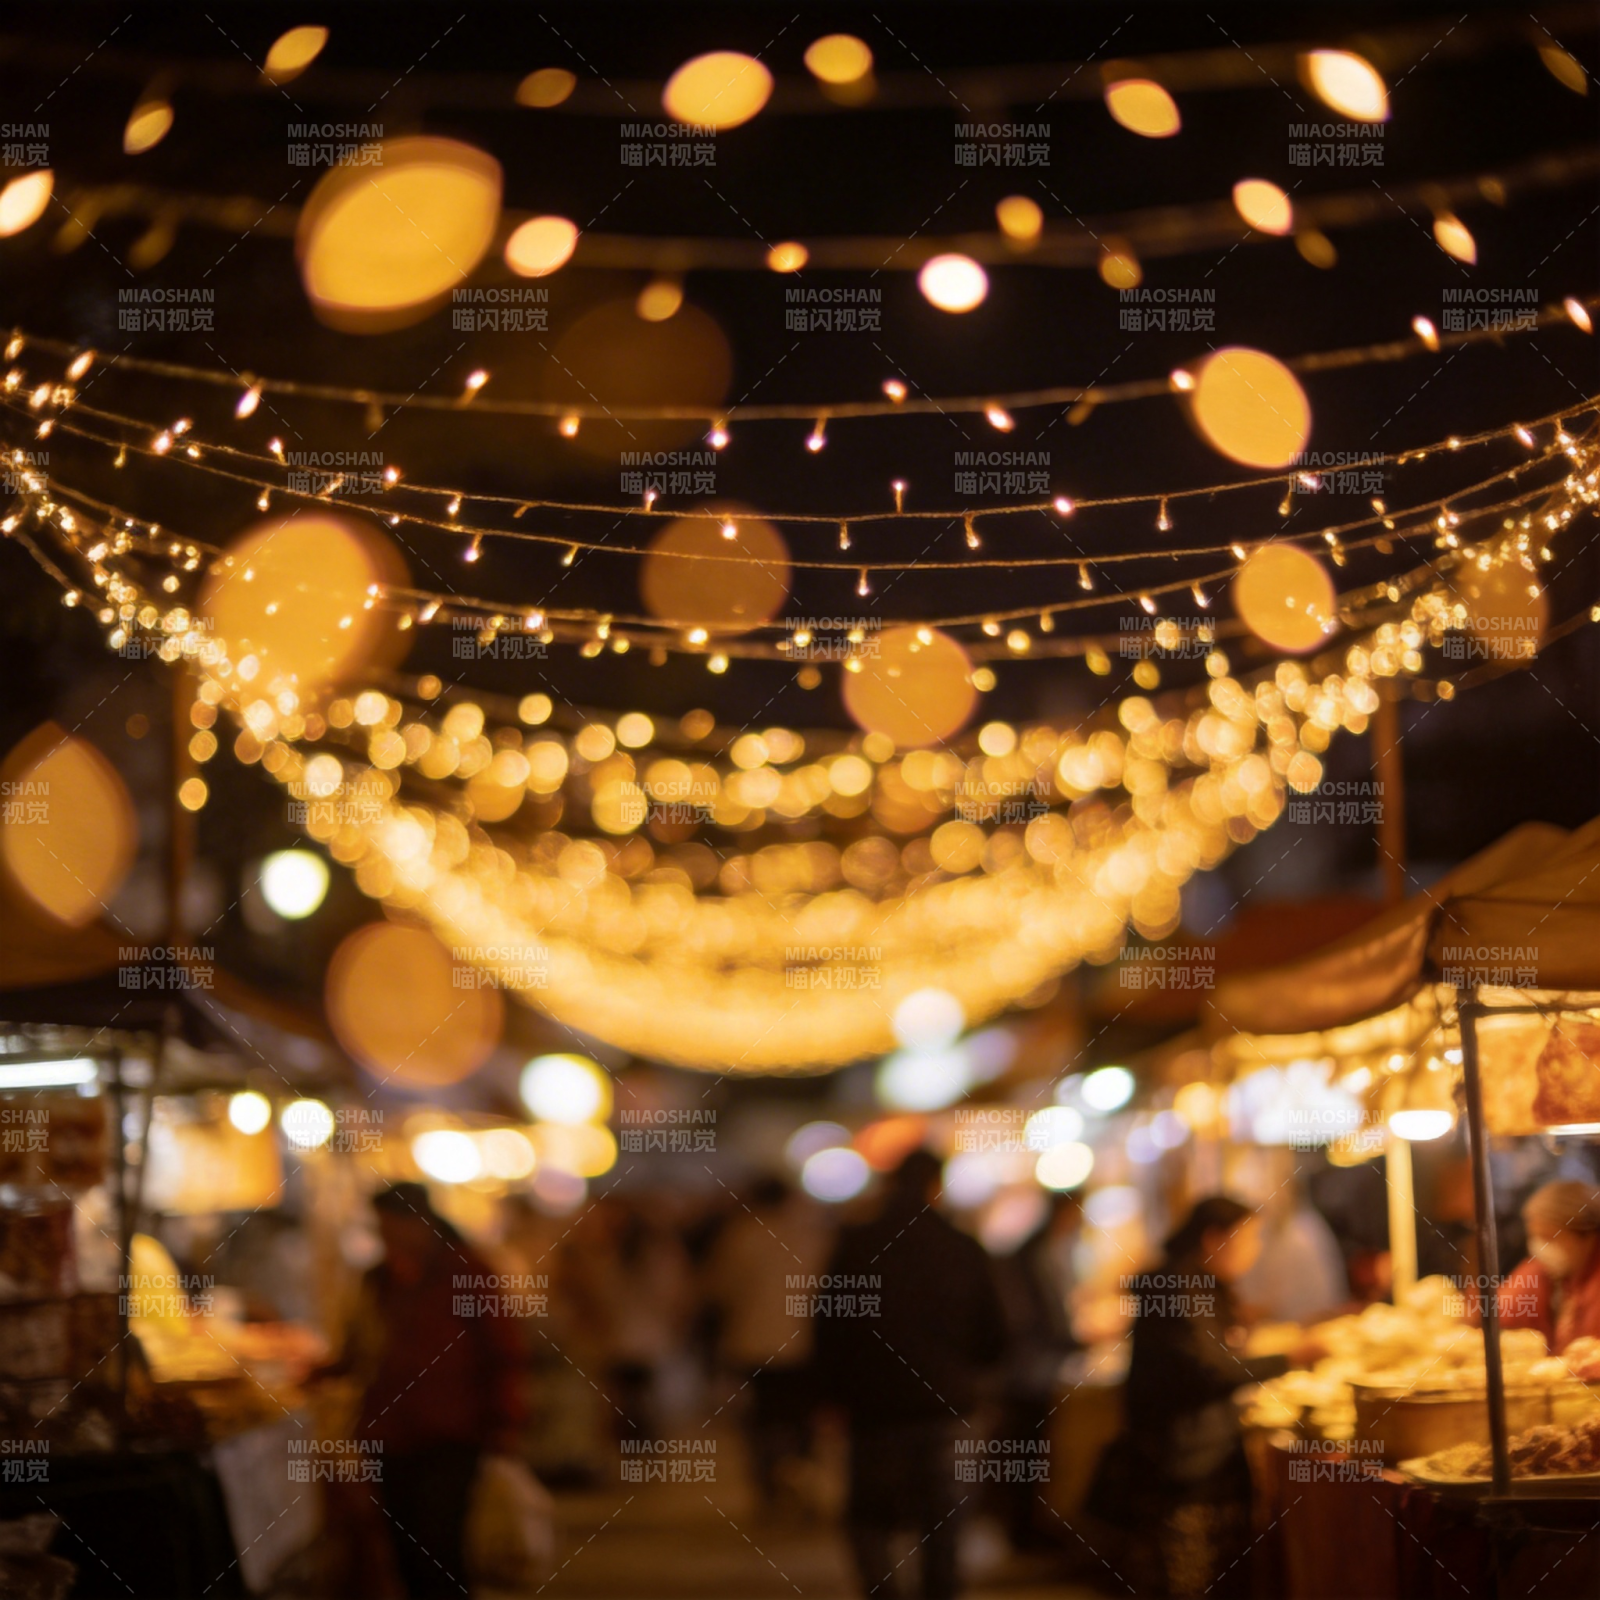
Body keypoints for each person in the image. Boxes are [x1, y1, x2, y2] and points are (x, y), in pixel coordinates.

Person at [1094, 1195, 1323, 1598]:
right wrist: (1293, 1356)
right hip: (1183, 1458)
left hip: (1200, 1453)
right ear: (1214, 1238)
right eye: (1248, 1239)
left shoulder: (1199, 1283)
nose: (1254, 1251)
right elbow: (1209, 1368)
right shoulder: (1178, 1285)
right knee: (1189, 1575)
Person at [814, 1148, 1007, 1600]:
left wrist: (829, 1396)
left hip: (873, 1409)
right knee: (944, 1525)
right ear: (936, 1187)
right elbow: (995, 1337)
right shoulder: (963, 1248)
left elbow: (828, 1330)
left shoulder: (856, 1245)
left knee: (870, 1521)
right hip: (948, 1405)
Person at [335, 1182, 525, 1599]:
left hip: (451, 1435)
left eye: (391, 1226)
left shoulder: (466, 1273)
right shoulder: (378, 1281)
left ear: (419, 1223)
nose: (386, 1237)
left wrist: (504, 1425)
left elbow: (501, 1350)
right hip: (387, 1438)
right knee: (403, 1551)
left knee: (440, 1549)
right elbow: (357, 1351)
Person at [705, 1175, 830, 1509]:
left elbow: (720, 1289)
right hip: (803, 1343)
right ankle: (802, 1478)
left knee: (761, 1419)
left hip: (752, 1342)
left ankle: (769, 1484)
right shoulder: (811, 1236)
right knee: (801, 1419)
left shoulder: (741, 1236)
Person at [994, 1191, 1081, 1548]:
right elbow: (1047, 1319)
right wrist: (1080, 1340)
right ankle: (1025, 1530)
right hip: (1029, 1372)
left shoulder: (1039, 1250)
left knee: (1029, 1449)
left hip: (1031, 1369)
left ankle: (1028, 1525)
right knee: (1027, 1450)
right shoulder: (1036, 1254)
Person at [1495, 1180, 1600, 1353]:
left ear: (1587, 1237)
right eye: (1536, 1237)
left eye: (1549, 1238)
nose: (1541, 1248)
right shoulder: (1551, 1269)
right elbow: (1504, 1308)